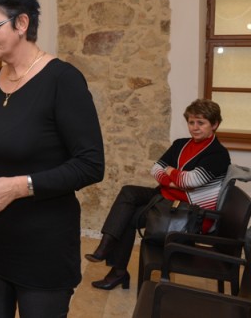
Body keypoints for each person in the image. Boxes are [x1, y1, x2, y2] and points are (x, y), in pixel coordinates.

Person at [0, 0, 105, 318]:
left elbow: (90, 165)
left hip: (42, 247)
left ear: (22, 23)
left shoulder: (63, 80)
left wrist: (20, 186)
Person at [85, 98, 231, 290]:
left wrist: (170, 172)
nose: (194, 127)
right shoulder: (181, 144)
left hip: (188, 212)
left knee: (128, 218)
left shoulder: (218, 154)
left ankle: (116, 268)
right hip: (165, 198)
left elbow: (190, 181)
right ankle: (106, 246)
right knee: (128, 192)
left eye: (201, 123)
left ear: (215, 124)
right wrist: (174, 181)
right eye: (191, 122)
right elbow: (155, 169)